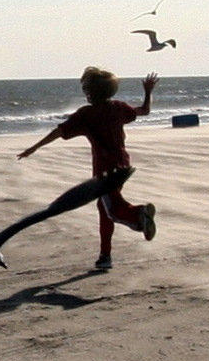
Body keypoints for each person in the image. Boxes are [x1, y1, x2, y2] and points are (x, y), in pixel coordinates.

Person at [17, 67, 159, 270]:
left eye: (87, 89)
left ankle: (139, 215)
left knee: (113, 210)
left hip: (104, 170)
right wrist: (148, 92)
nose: (86, 93)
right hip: (123, 163)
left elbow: (59, 132)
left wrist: (34, 148)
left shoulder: (86, 114)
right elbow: (144, 111)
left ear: (90, 92)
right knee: (104, 209)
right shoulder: (118, 108)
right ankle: (105, 256)